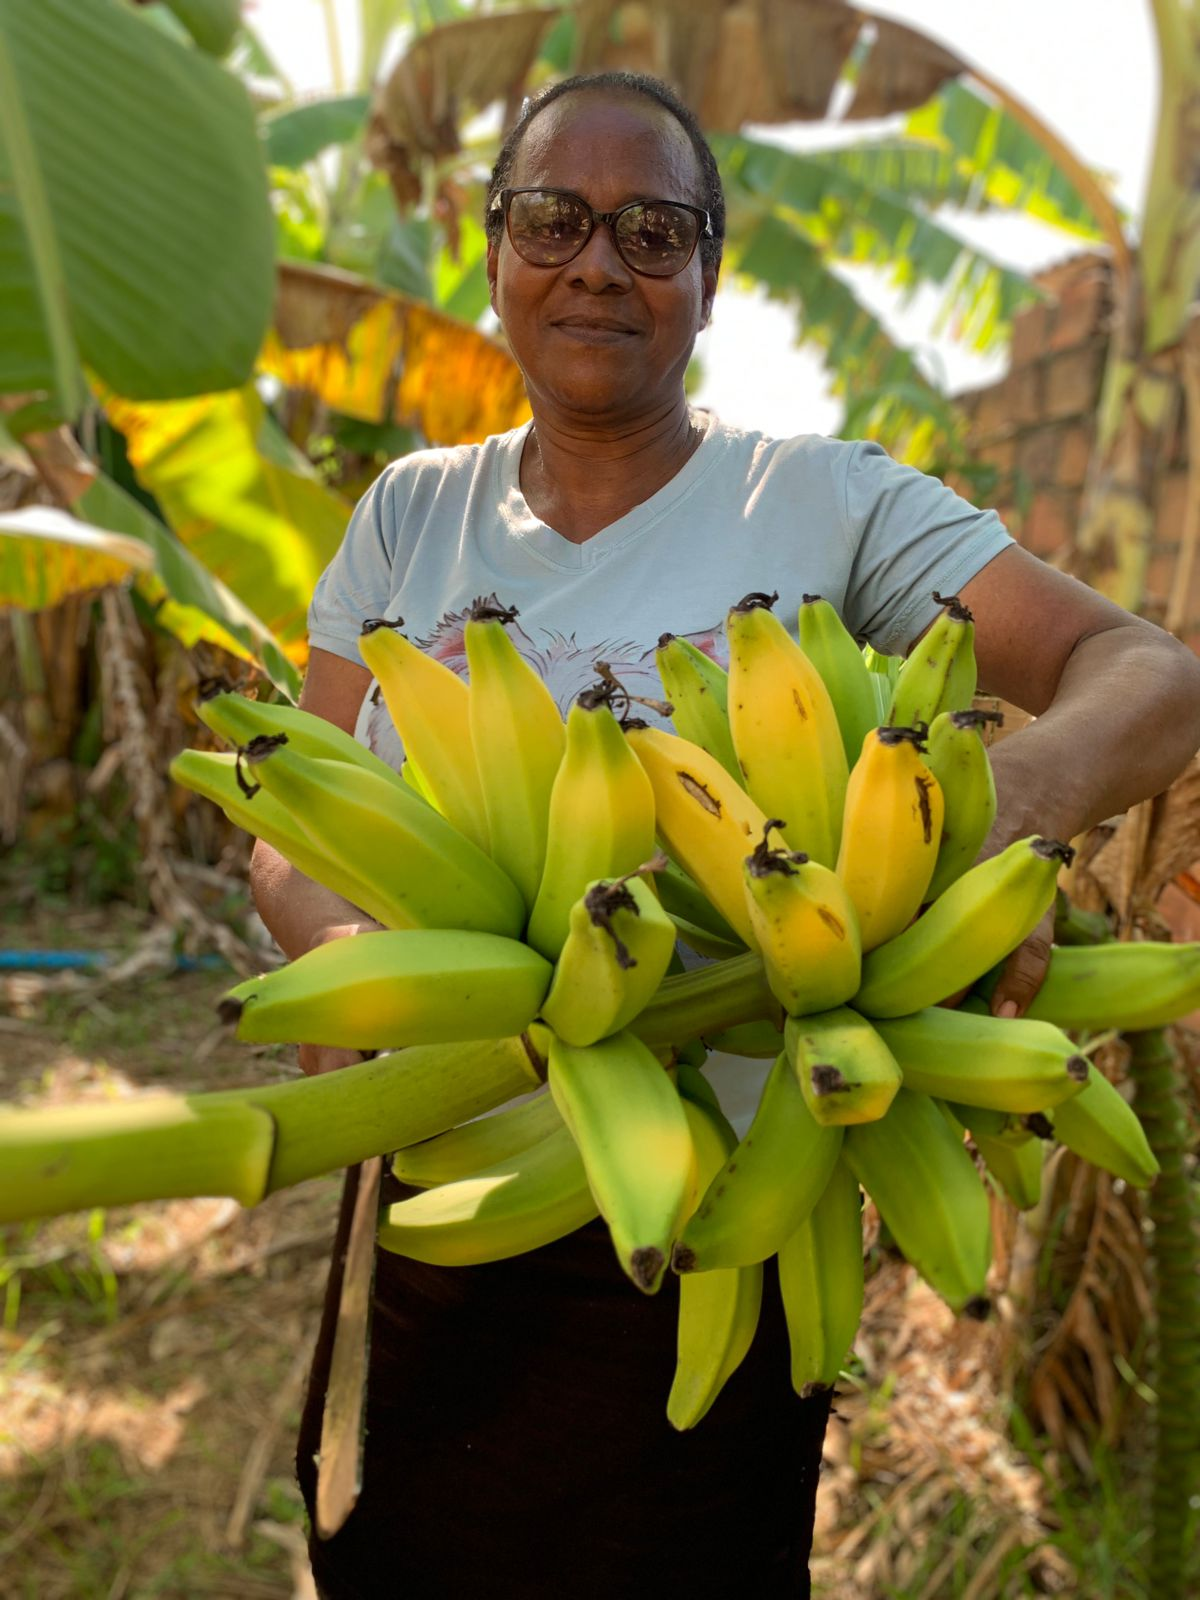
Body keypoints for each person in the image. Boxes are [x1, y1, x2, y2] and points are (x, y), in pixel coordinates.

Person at [248, 71, 1200, 1599]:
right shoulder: (406, 516)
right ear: (493, 249)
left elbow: (1147, 671)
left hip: (727, 1219)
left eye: (653, 229)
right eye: (553, 218)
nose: (598, 263)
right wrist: (353, 970)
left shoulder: (821, 504)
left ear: (710, 275)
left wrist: (1004, 819)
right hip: (450, 1181)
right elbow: (291, 813)